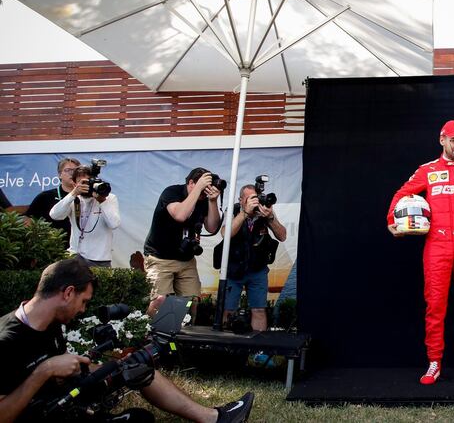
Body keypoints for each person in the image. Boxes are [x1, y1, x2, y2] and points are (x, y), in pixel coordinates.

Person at [0, 257, 254, 422]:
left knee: (134, 366)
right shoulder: (7, 339)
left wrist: (112, 366)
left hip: (65, 398)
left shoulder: (52, 323)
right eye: (83, 301)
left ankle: (214, 418)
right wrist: (45, 371)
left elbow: (56, 374)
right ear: (67, 293)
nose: (83, 310)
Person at [387, 120, 454, 385]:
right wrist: (392, 220)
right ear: (442, 140)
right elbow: (402, 193)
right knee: (435, 307)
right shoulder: (427, 170)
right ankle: (434, 362)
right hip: (437, 246)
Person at [143, 168, 222, 316]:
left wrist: (212, 201)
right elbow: (180, 215)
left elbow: (212, 227)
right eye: (202, 186)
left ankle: (181, 335)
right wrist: (197, 189)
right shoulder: (172, 192)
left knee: (191, 300)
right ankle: (150, 334)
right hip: (160, 258)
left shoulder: (204, 200)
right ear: (191, 182)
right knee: (160, 301)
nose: (204, 192)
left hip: (186, 259)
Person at [220, 185, 287, 331]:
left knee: (259, 310)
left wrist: (270, 218)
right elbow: (226, 234)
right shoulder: (233, 209)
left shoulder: (264, 211)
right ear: (241, 200)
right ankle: (226, 348)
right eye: (250, 198)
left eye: (255, 198)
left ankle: (258, 350)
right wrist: (244, 213)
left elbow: (282, 236)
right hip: (233, 269)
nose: (254, 202)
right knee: (228, 310)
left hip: (257, 270)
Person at [49, 166, 120, 268]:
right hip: (75, 256)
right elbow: (54, 215)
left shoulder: (109, 198)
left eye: (88, 182)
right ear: (74, 184)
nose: (87, 186)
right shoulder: (73, 199)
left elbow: (114, 224)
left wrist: (102, 201)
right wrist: (73, 193)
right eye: (82, 183)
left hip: (100, 259)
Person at [25, 158, 81, 245]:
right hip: (53, 247)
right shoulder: (45, 196)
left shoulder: (86, 197)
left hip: (80, 248)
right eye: (68, 170)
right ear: (60, 174)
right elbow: (27, 219)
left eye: (75, 171)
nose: (72, 173)